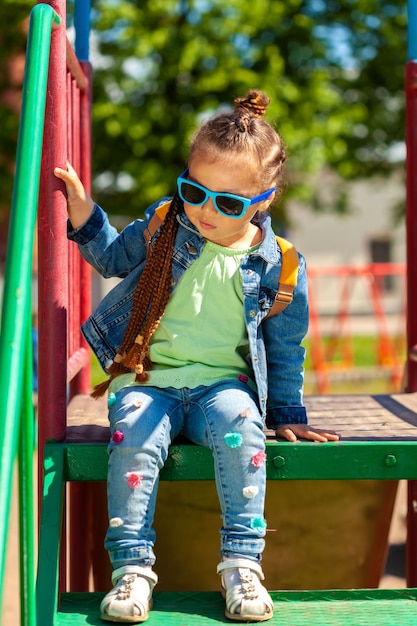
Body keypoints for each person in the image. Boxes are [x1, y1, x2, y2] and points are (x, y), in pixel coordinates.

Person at [54, 89, 340, 624]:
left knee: (242, 427)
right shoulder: (167, 223)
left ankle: (242, 563)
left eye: (229, 202)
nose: (206, 210)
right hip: (148, 379)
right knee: (132, 434)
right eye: (195, 191)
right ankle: (132, 569)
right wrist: (82, 210)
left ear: (264, 199)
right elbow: (113, 257)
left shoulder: (279, 264)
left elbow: (284, 350)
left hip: (221, 386)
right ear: (183, 180)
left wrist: (288, 415)